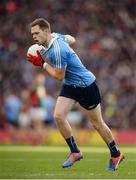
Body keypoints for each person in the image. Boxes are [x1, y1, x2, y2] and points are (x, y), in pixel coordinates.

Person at [27, 18, 125, 171]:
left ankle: (116, 153)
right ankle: (75, 152)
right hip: (71, 85)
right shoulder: (54, 37)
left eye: (37, 33)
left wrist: (43, 64)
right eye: (32, 34)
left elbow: (59, 76)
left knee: (97, 123)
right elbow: (70, 38)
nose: (34, 36)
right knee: (58, 116)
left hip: (85, 85)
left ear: (46, 31)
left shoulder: (58, 49)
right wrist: (67, 41)